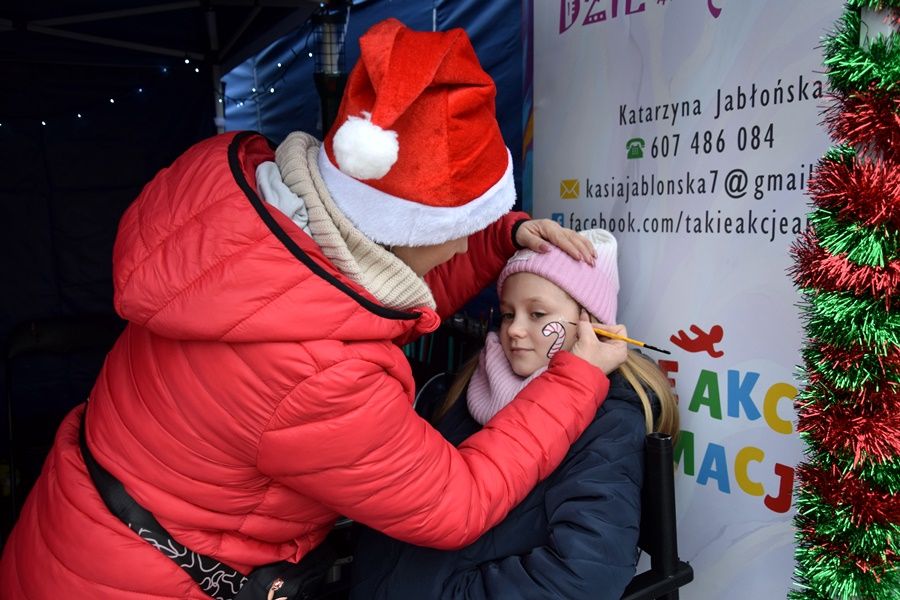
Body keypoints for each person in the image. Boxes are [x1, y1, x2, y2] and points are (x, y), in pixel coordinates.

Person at [0, 19, 627, 600]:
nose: (466, 241)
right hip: (130, 582)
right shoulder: (314, 375)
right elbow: (454, 504)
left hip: (75, 525)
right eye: (464, 224)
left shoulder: (254, 225)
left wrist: (501, 240)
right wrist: (574, 381)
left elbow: (365, 298)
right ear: (404, 225)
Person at [351, 229, 680, 600]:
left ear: (592, 325)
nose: (514, 330)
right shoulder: (478, 383)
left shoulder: (607, 421)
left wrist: (451, 593)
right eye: (507, 314)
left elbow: (586, 574)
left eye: (537, 314)